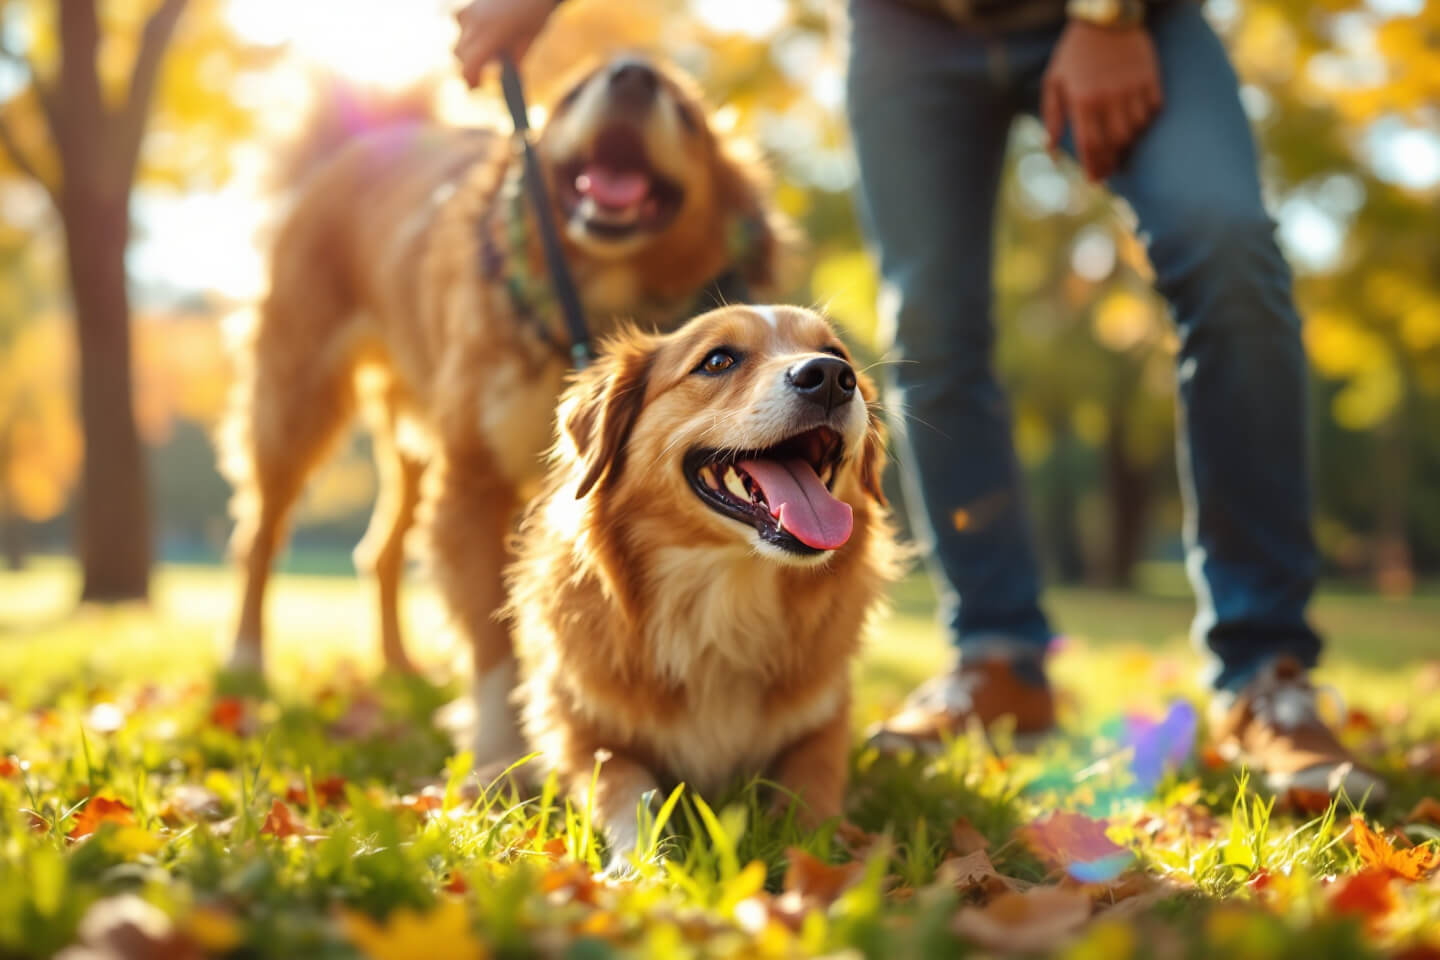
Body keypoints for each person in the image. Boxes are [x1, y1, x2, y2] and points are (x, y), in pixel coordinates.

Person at [453, 0, 1385, 804]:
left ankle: (1270, 674)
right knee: (930, 331)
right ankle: (996, 660)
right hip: (909, 26)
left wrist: (1109, 17)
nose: (822, 377)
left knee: (1227, 251)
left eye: (827, 363)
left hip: (1132, 17)